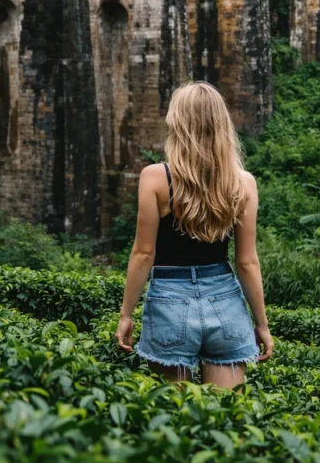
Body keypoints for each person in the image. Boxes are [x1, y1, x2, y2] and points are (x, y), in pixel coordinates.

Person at [115, 81, 274, 389]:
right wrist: (262, 324)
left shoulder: (155, 178)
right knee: (227, 420)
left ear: (178, 123)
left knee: (177, 421)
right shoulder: (243, 183)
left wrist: (126, 314)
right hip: (226, 303)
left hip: (169, 303)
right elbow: (247, 262)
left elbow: (143, 254)